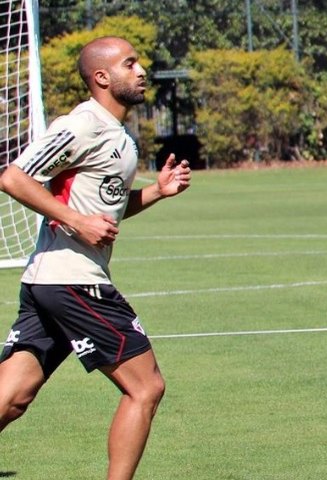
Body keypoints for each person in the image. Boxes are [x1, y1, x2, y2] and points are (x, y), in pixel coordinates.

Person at [0, 36, 192, 480]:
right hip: (74, 281)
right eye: (130, 63)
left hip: (50, 283)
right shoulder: (81, 125)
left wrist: (156, 193)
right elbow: (14, 177)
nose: (142, 70)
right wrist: (75, 220)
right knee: (146, 388)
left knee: (13, 396)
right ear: (102, 77)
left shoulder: (120, 137)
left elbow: (108, 207)